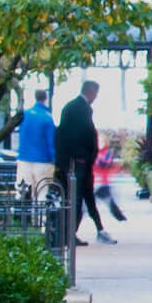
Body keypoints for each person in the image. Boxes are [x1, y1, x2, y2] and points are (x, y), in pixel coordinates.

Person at [55, 80, 112, 244]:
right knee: (78, 197)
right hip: (78, 161)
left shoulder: (75, 107)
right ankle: (70, 234)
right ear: (90, 92)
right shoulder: (78, 108)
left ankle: (98, 229)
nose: (96, 97)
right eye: (95, 94)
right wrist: (80, 155)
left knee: (86, 195)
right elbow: (75, 134)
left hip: (81, 161)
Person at [13, 93, 57, 200]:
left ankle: (21, 216)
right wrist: (54, 159)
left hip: (24, 159)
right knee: (41, 192)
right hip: (42, 161)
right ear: (46, 98)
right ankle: (40, 217)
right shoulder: (47, 118)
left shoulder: (25, 115)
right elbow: (51, 142)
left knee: (23, 192)